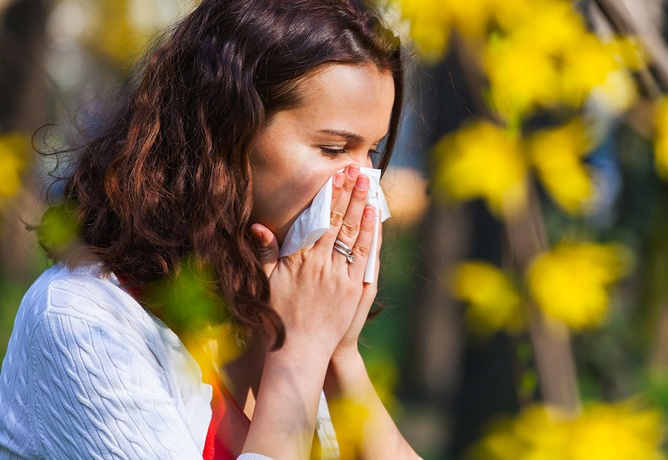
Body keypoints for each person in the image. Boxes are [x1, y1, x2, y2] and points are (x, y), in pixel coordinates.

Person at [0, 0, 421, 458]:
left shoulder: (279, 302)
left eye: (372, 155)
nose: (364, 188)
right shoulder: (85, 321)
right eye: (334, 148)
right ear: (226, 133)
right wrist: (298, 353)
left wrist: (338, 351)